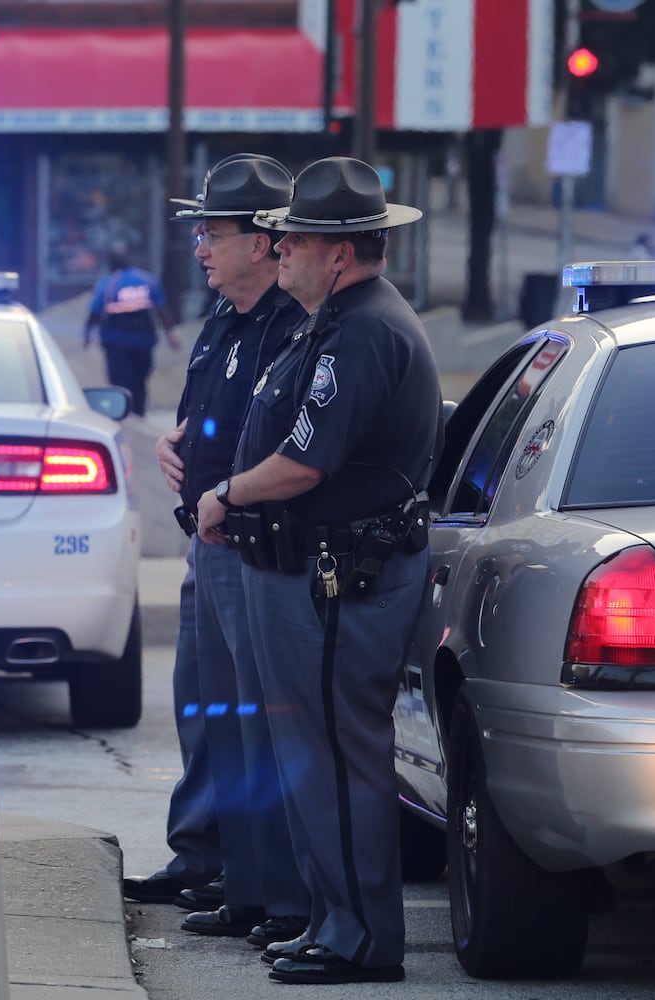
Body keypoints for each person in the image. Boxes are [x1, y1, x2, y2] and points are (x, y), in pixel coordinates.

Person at [195, 156, 439, 985]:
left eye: (293, 239)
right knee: (312, 754)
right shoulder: (331, 319)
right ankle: (333, 921)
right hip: (316, 573)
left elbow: (305, 462)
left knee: (338, 756)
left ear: (338, 253)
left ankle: (361, 939)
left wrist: (226, 493)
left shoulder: (364, 329)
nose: (281, 250)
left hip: (344, 576)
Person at [129, 155, 311, 947]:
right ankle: (207, 857)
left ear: (263, 242)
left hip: (254, 547)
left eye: (213, 232)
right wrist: (177, 445)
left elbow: (293, 442)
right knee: (203, 707)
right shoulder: (225, 317)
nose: (199, 246)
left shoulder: (294, 325)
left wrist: (224, 489)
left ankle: (261, 883)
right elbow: (210, 414)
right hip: (205, 542)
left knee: (251, 721)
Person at [83, 244, 179, 416]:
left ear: (111, 263)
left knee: (120, 383)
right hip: (143, 343)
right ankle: (139, 411)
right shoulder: (146, 280)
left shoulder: (108, 284)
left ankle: (124, 413)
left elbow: (94, 314)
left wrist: (87, 335)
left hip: (117, 344)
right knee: (140, 381)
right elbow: (161, 310)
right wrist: (170, 333)